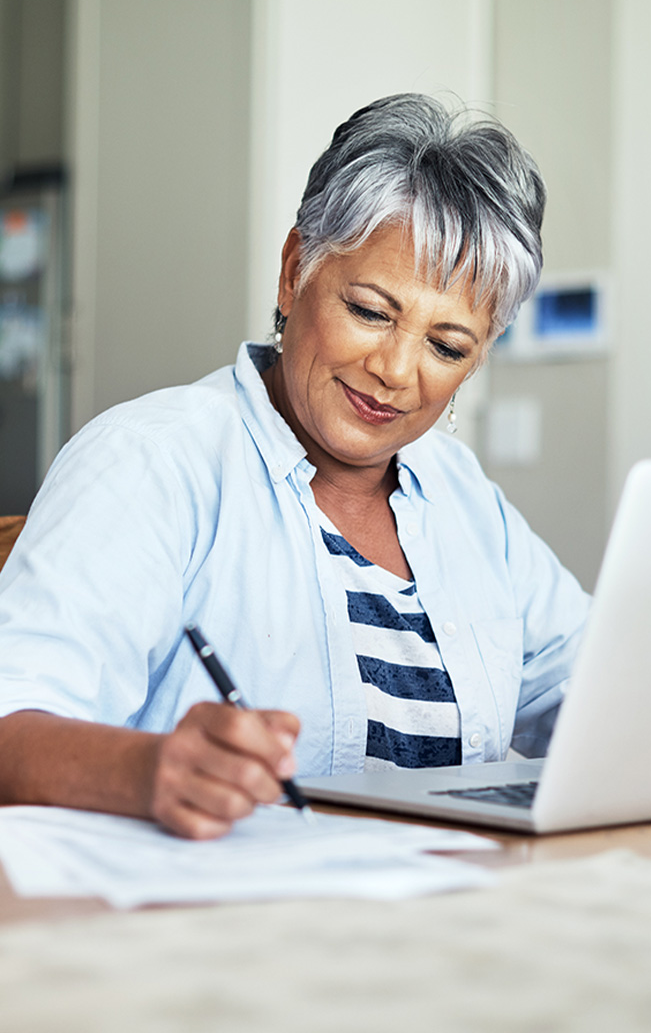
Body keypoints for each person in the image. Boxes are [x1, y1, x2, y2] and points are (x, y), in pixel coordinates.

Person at [0, 94, 590, 839]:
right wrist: (148, 771)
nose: (397, 371)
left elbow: (596, 694)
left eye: (448, 347)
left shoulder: (464, 496)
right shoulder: (152, 462)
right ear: (293, 272)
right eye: (373, 311)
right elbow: (11, 720)